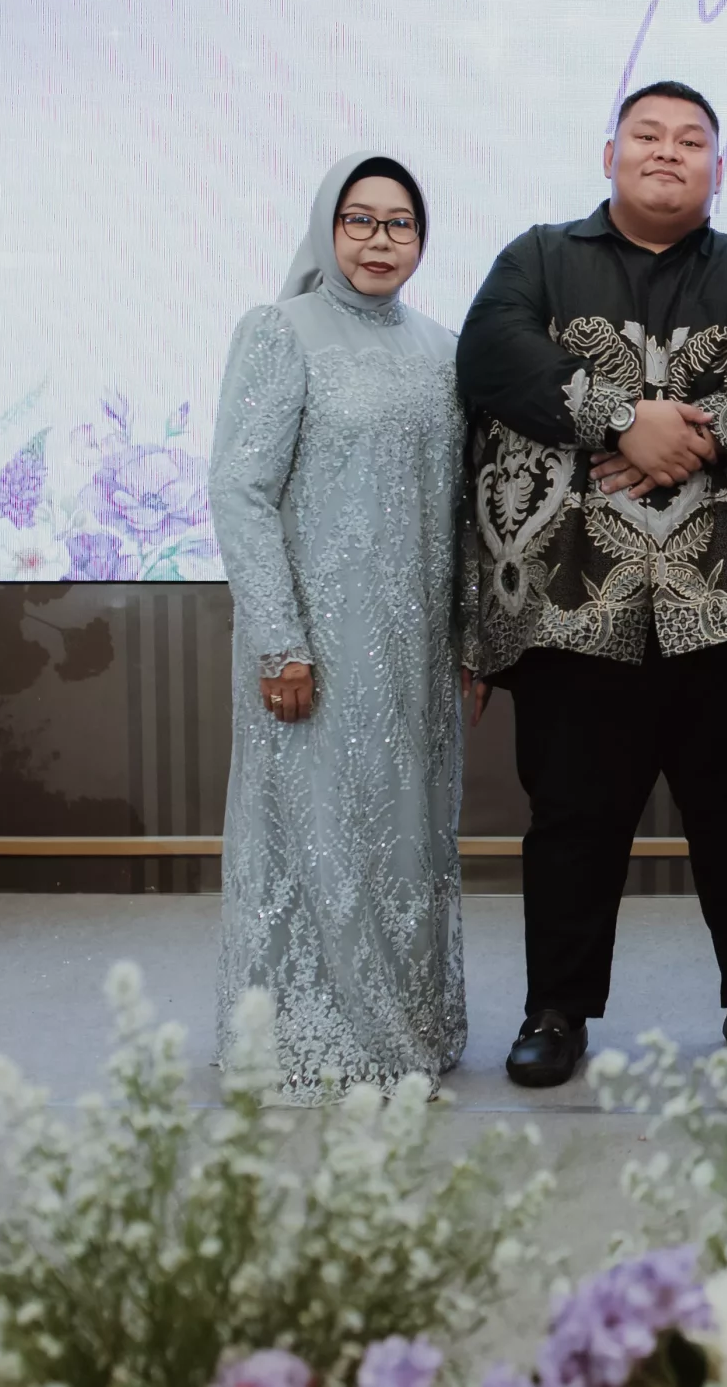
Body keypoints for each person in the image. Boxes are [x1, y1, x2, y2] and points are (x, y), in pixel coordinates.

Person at [460, 80, 727, 1088]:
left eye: (690, 140)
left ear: (718, 167)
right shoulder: (538, 258)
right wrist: (622, 418)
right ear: (608, 153)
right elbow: (491, 356)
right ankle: (556, 1009)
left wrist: (690, 437)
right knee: (572, 817)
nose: (667, 151)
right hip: (576, 602)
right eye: (647, 135)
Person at [212, 152, 472, 1099]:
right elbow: (240, 490)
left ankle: (406, 1028)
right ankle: (304, 1034)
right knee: (318, 830)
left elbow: (460, 507)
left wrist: (467, 636)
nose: (378, 240)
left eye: (399, 223)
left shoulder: (443, 348)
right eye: (359, 220)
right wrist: (279, 641)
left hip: (415, 650)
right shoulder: (281, 331)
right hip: (315, 644)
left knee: (405, 834)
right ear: (327, 227)